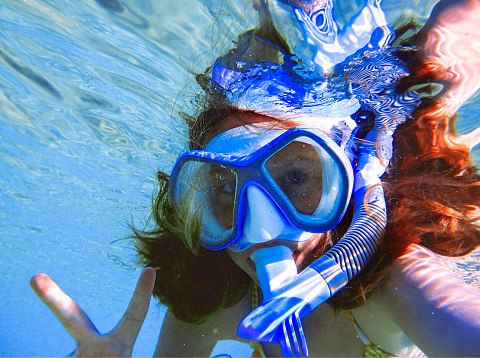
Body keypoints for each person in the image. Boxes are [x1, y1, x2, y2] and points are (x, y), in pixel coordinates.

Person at [30, 0, 480, 357]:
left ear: (348, 183)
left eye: (298, 177)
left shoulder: (399, 283)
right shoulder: (211, 306)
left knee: (439, 56)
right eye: (225, 188)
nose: (260, 228)